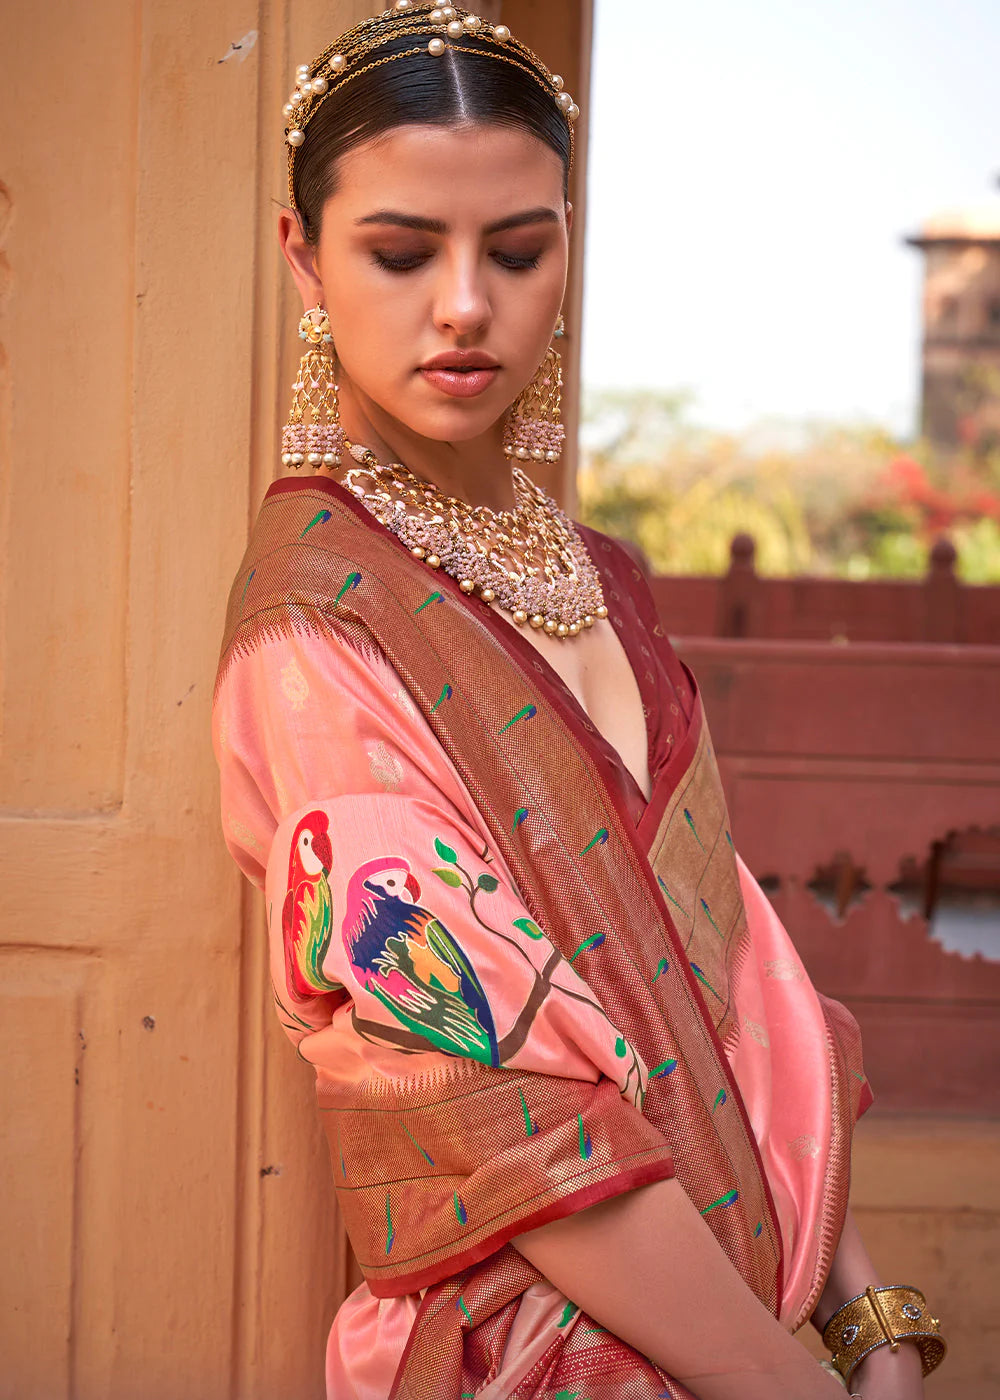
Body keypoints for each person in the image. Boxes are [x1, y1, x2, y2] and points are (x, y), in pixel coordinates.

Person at [212, 5, 946, 1397]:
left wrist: (871, 1319)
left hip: (741, 1329)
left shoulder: (601, 577)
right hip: (536, 1355)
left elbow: (729, 966)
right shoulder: (319, 631)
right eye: (401, 250)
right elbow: (503, 1111)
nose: (468, 304)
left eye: (521, 248)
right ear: (305, 256)